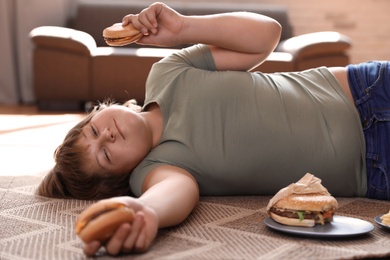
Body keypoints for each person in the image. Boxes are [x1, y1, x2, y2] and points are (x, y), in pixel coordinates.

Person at [37, 2, 389, 256]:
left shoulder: (167, 73)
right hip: (375, 165)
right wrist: (145, 210)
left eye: (94, 131)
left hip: (365, 88)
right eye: (106, 154)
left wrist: (184, 28)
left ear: (101, 108)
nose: (107, 137)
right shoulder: (160, 168)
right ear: (122, 177)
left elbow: (268, 34)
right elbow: (171, 195)